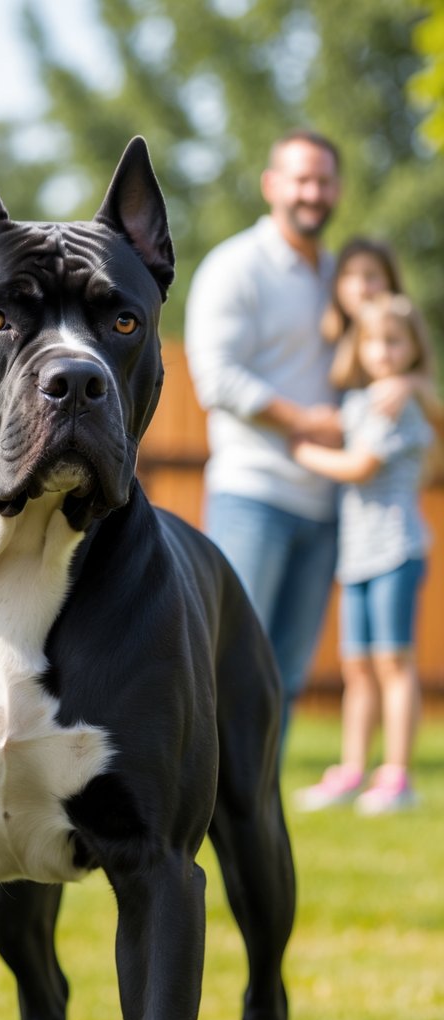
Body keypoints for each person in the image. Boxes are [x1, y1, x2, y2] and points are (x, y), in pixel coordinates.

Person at [185, 129, 343, 738]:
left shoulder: (338, 273)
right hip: (254, 494)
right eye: (301, 178)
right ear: (272, 185)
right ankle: (204, 808)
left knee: (288, 676)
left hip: (326, 500)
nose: (313, 192)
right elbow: (216, 378)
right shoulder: (235, 266)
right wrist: (306, 421)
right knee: (229, 670)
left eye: (324, 180)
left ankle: (260, 818)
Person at [292, 293, 434, 814]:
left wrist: (307, 453)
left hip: (397, 549)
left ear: (414, 347)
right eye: (372, 341)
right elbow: (342, 422)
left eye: (394, 341)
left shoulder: (403, 403)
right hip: (358, 555)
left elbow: (361, 466)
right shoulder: (363, 401)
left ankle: (397, 776)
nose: (382, 352)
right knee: (357, 667)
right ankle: (353, 770)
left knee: (393, 663)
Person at [324, 236, 444, 438]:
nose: (360, 288)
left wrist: (409, 384)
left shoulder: (404, 332)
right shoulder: (328, 336)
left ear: (390, 281)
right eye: (348, 275)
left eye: (371, 276)